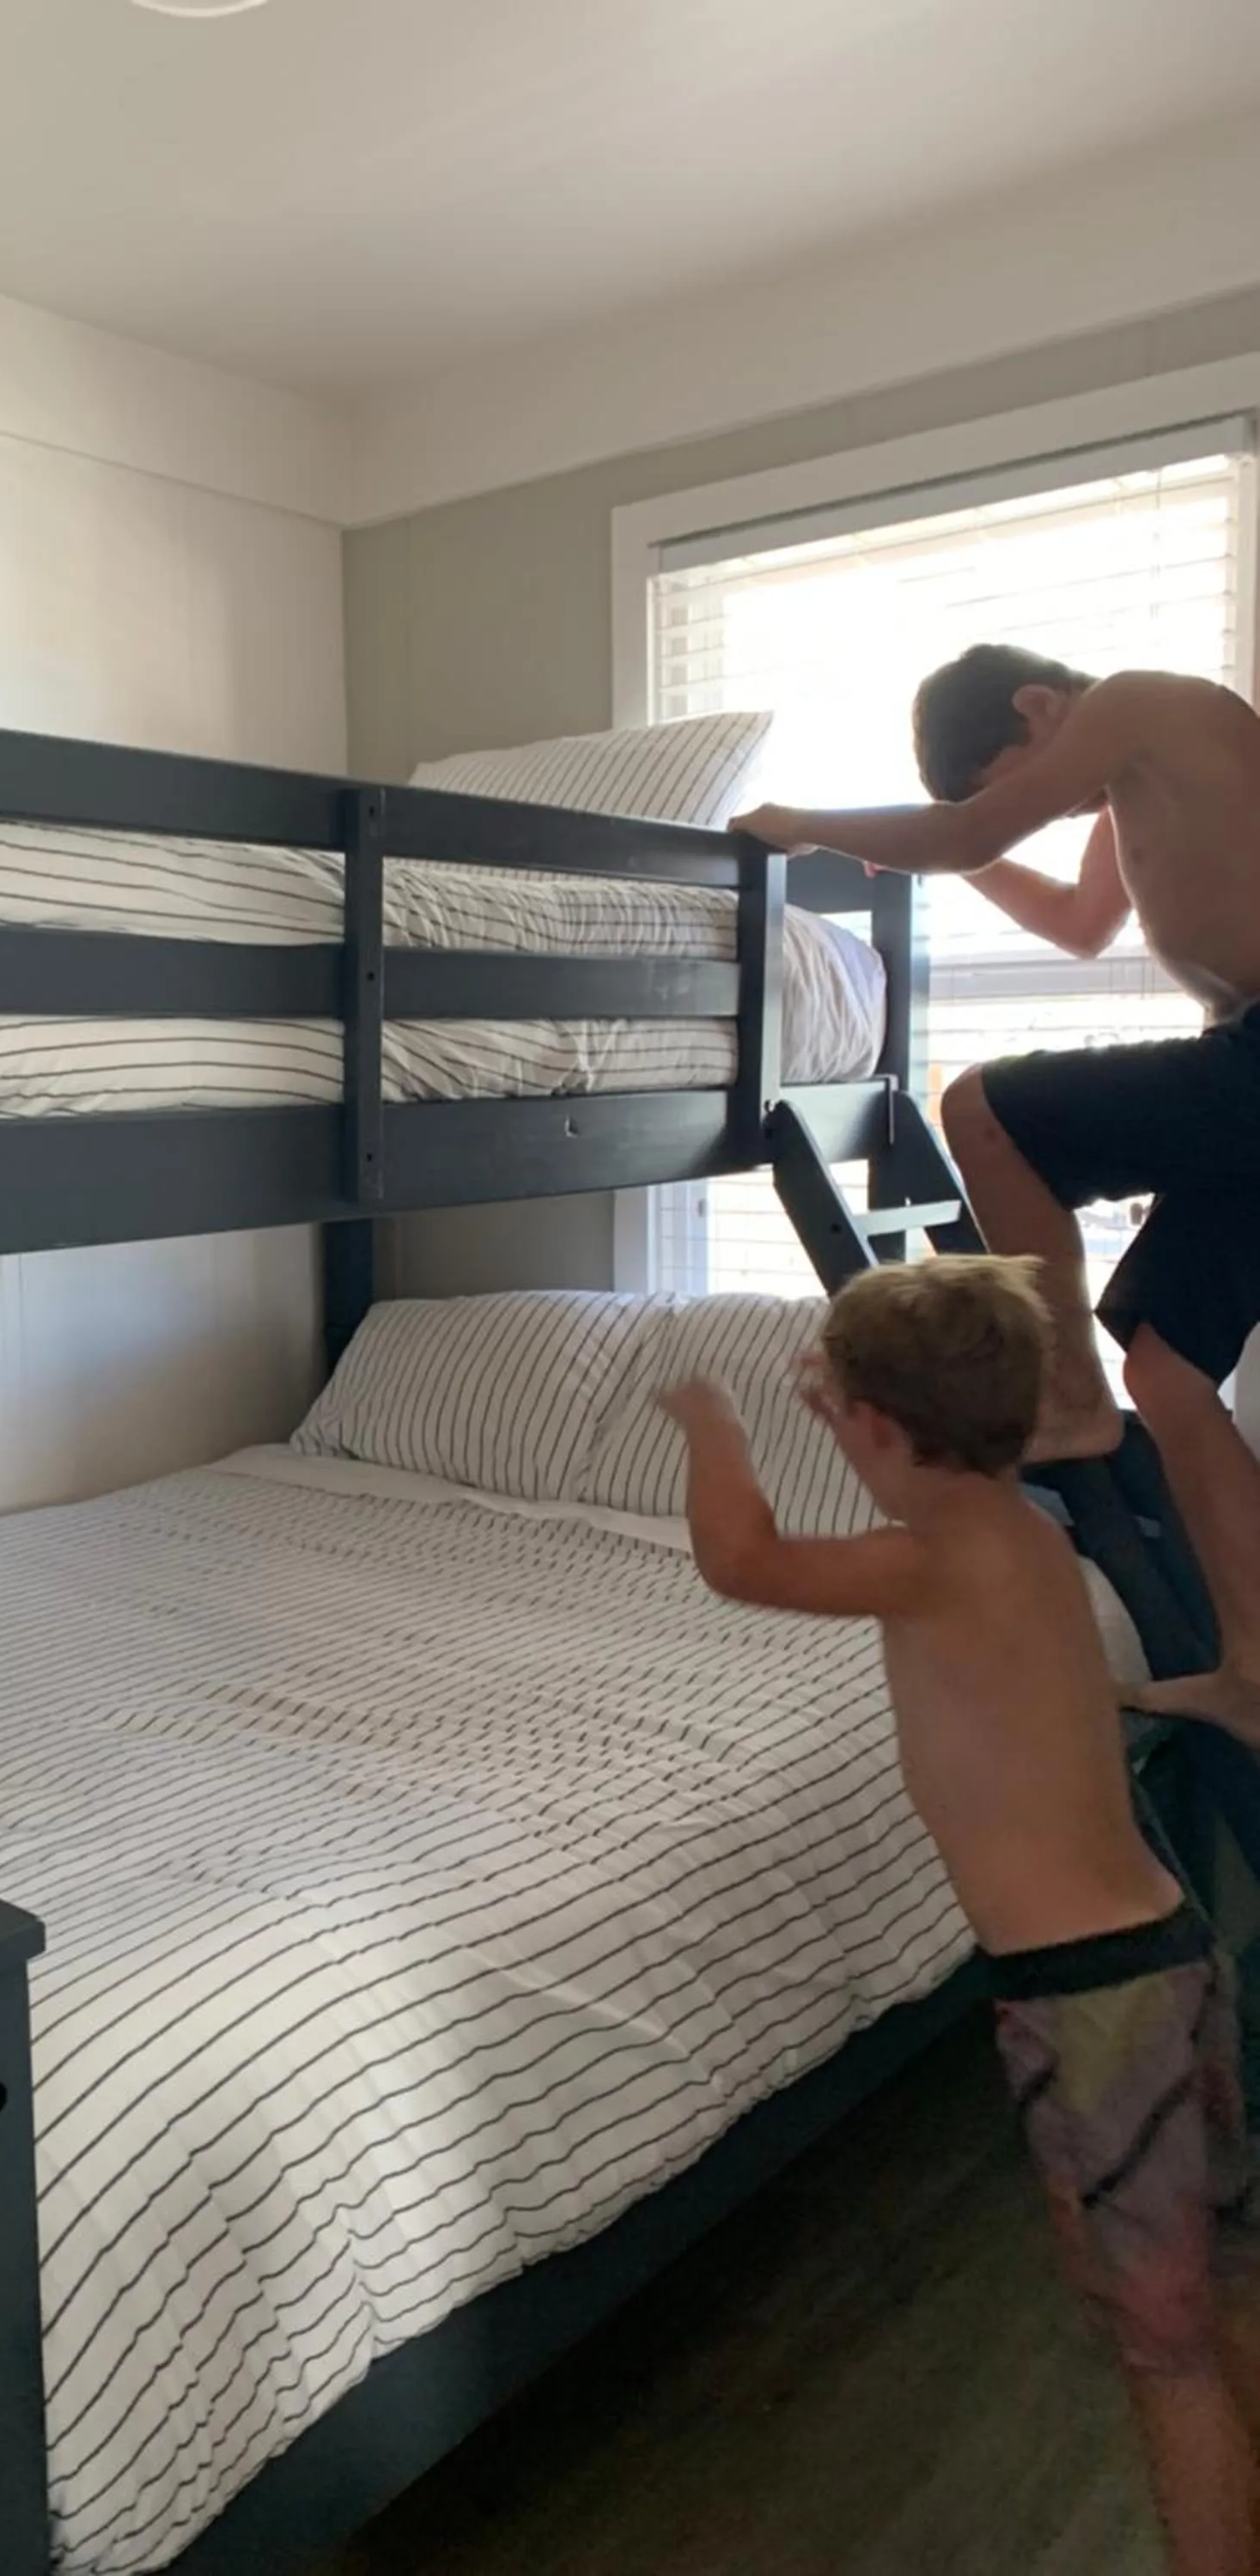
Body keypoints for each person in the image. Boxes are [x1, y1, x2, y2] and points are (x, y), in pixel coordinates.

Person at [657, 1255, 1256, 2576]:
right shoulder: (1017, 1526)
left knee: (1158, 2356)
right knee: (1201, 2285)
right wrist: (857, 1406)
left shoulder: (922, 1563)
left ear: (877, 1429)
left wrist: (710, 1424)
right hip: (1160, 1953)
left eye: (848, 1415)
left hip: (1090, 2002)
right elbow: (921, 1437)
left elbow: (739, 1557)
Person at [731, 646, 1260, 1744]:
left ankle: (1063, 1394)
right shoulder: (1122, 773)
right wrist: (951, 849)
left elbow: (971, 832)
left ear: (1037, 705)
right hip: (1243, 1070)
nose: (1040, 811)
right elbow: (1079, 923)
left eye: (1013, 780)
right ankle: (1254, 1673)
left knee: (981, 1106)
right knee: (1165, 1371)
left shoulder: (1136, 704)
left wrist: (806, 821)